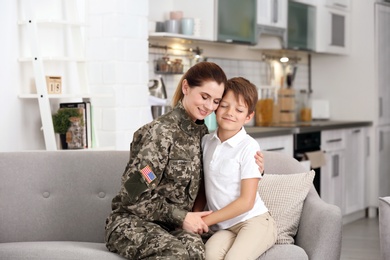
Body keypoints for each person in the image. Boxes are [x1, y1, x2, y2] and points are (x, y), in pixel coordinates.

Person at [104, 62, 264, 260]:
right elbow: (133, 193)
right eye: (204, 97)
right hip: (133, 222)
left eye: (215, 101)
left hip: (172, 226)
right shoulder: (159, 134)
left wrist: (256, 168)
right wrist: (181, 217)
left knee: (198, 252)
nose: (208, 106)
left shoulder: (204, 135)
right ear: (186, 87)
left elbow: (218, 173)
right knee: (175, 253)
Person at [199, 77, 277, 260]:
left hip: (254, 221)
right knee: (208, 255)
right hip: (225, 227)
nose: (230, 113)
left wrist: (203, 221)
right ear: (216, 106)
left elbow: (246, 202)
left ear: (248, 116)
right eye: (224, 105)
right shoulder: (206, 142)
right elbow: (203, 185)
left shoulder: (248, 146)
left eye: (239, 110)